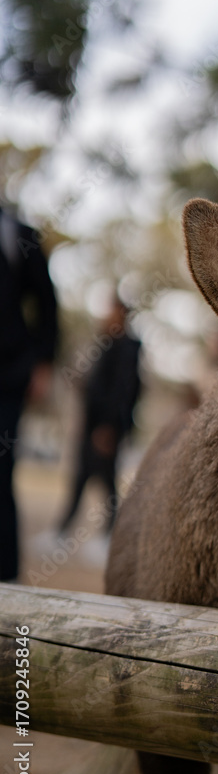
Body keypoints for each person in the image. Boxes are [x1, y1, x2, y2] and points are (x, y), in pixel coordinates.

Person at [0, 203, 58, 582]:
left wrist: (42, 363)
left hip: (7, 376)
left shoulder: (18, 234)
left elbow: (47, 303)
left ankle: (6, 577)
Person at [58, 296, 141, 536]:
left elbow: (123, 392)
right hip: (91, 424)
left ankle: (107, 534)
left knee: (106, 481)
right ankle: (65, 529)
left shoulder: (127, 348)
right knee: (81, 477)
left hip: (105, 427)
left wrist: (109, 427)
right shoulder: (106, 343)